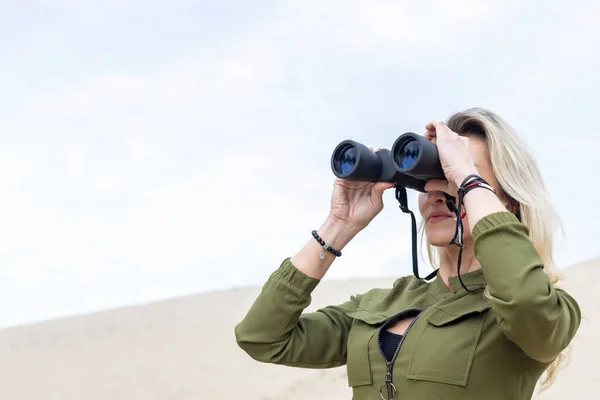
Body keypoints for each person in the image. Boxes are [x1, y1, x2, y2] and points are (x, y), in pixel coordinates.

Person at [234, 108, 581, 400]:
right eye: (428, 179)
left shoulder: (542, 311)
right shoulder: (380, 305)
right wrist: (339, 224)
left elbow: (523, 300)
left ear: (506, 201)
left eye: (455, 179)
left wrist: (466, 178)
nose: (437, 192)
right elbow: (262, 337)